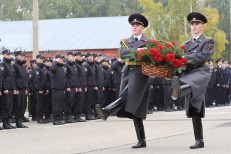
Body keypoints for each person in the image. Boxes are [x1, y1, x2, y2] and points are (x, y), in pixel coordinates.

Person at [95, 13, 150, 148]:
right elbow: (123, 53)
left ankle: (107, 110)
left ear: (143, 27)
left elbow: (150, 56)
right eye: (133, 25)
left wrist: (136, 51)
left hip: (141, 73)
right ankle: (141, 140)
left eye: (137, 25)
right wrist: (139, 51)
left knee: (129, 96)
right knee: (134, 105)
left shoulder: (149, 42)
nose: (135, 27)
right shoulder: (125, 40)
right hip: (128, 73)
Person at [171, 12, 215, 149]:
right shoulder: (186, 44)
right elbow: (180, 58)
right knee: (194, 105)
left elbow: (203, 57)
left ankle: (179, 90)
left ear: (202, 26)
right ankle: (199, 140)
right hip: (190, 72)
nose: (194, 26)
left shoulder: (208, 41)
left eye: (197, 24)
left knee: (191, 87)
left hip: (202, 71)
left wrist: (186, 58)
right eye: (192, 24)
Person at [12, 51, 28, 128]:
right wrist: (15, 88)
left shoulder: (22, 66)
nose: (22, 57)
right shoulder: (15, 65)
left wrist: (26, 88)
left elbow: (25, 78)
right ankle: (18, 122)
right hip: (18, 89)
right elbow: (13, 78)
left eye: (23, 56)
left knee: (23, 105)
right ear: (17, 56)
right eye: (21, 56)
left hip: (23, 89)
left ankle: (20, 121)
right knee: (17, 106)